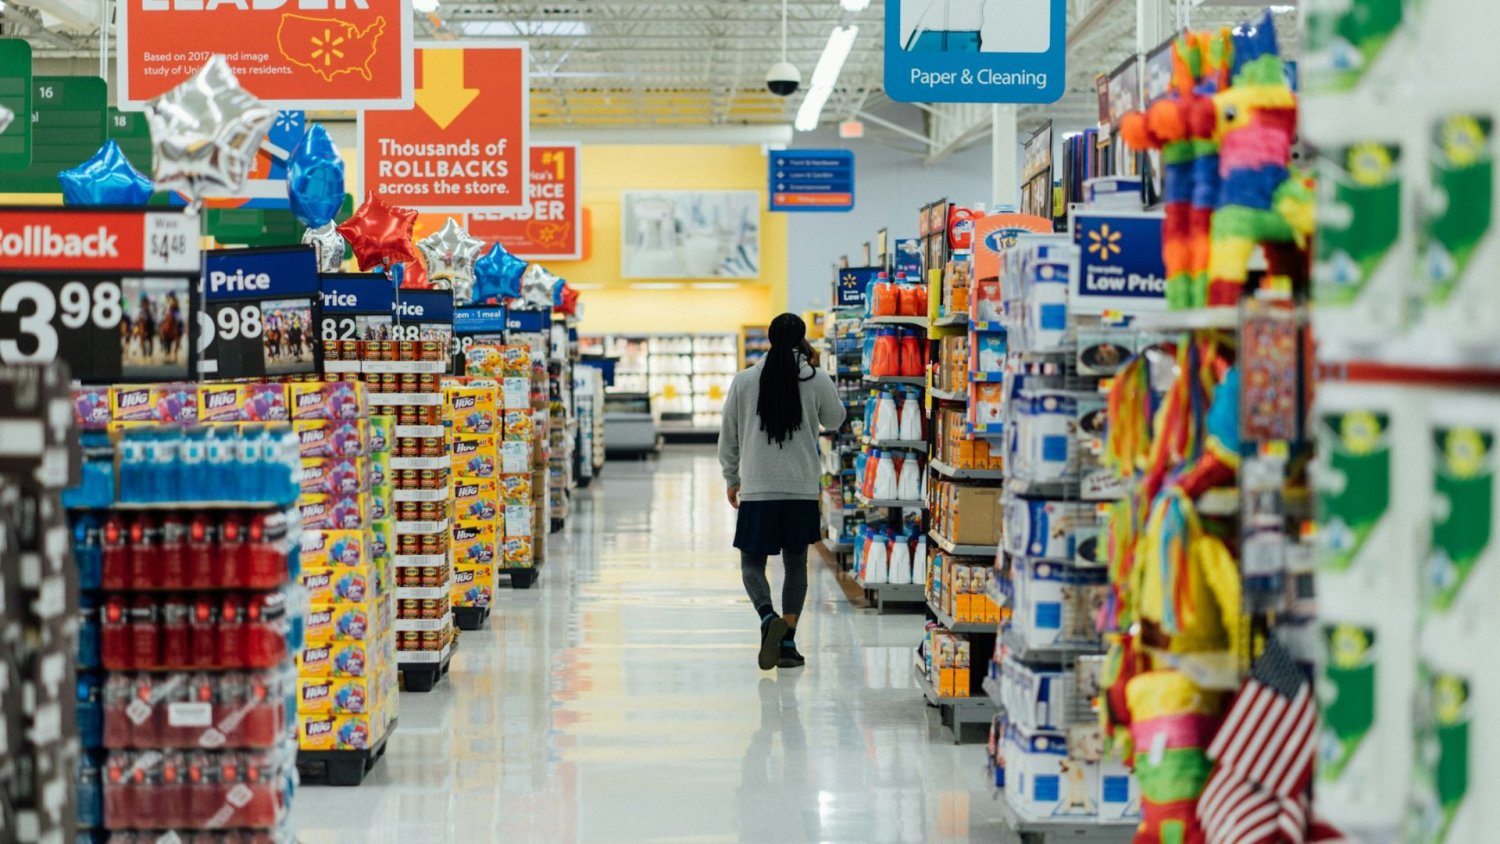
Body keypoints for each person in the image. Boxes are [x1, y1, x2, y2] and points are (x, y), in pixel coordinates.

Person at [718, 313, 846, 670]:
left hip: (757, 487)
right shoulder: (815, 377)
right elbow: (835, 419)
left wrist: (732, 478)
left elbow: (728, 436)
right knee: (795, 563)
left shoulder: (745, 380)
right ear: (802, 339)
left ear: (770, 339)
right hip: (800, 488)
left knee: (751, 563)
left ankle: (767, 617)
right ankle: (787, 643)